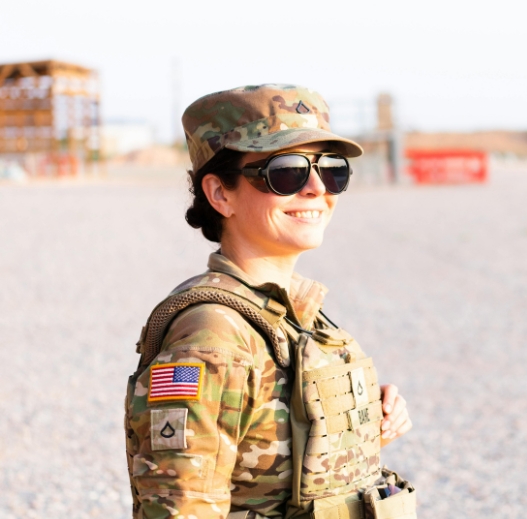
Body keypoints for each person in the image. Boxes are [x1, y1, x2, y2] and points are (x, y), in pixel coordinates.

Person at [124, 84, 415, 519]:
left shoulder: (293, 314)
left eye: (331, 169)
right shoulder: (212, 335)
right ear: (220, 194)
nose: (317, 188)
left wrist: (357, 428)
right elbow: (182, 507)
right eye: (287, 171)